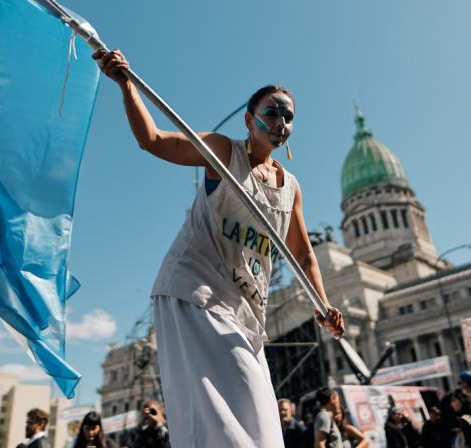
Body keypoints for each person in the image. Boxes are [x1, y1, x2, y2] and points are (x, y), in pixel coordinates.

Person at [92, 48, 345, 448]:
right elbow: (153, 140)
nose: (281, 122)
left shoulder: (291, 187)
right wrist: (125, 85)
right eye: (273, 112)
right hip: (194, 293)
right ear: (249, 119)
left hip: (244, 309)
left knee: (264, 428)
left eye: (289, 116)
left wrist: (322, 305)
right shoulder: (223, 152)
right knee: (224, 427)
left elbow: (303, 254)